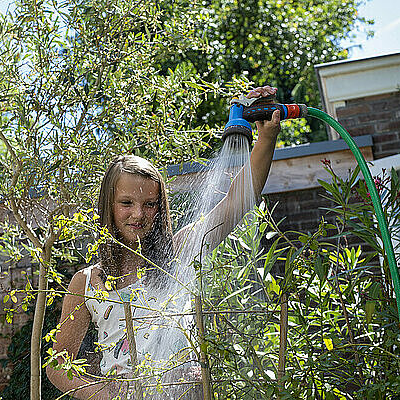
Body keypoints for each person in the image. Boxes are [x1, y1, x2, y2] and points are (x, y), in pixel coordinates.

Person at [46, 86, 281, 399]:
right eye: (126, 203)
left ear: (161, 207)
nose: (139, 214)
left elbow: (237, 201)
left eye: (150, 204)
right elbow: (58, 365)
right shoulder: (88, 282)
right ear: (108, 205)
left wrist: (266, 137)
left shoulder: (178, 253)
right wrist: (106, 393)